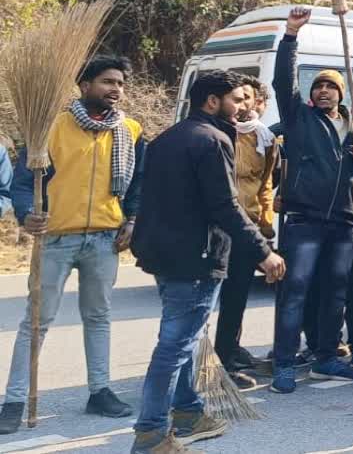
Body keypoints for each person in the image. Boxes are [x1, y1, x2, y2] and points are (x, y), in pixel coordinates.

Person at [129, 70, 286, 453]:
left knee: (186, 337)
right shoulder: (213, 139)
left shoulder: (167, 137)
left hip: (162, 253)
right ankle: (150, 434)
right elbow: (225, 205)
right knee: (175, 345)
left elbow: (147, 197)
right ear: (212, 102)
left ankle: (188, 412)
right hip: (196, 256)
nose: (244, 106)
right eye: (236, 99)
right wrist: (263, 251)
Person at [0, 57, 141, 435]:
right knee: (36, 322)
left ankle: (100, 391)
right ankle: (14, 400)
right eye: (107, 81)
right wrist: (27, 213)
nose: (116, 89)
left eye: (121, 83)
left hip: (104, 239)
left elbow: (138, 183)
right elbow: (21, 184)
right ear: (84, 85)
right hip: (55, 238)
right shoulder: (49, 128)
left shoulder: (129, 130)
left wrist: (132, 219)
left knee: (98, 318)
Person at [269, 7, 353, 394]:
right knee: (295, 289)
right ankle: (284, 363)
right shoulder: (298, 117)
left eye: (330, 87)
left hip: (345, 220)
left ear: (341, 93)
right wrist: (290, 37)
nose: (322, 91)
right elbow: (282, 81)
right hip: (305, 217)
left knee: (337, 290)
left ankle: (326, 358)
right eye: (318, 86)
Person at [212, 77, 279, 390]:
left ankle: (228, 353)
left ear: (256, 103)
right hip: (214, 225)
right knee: (204, 296)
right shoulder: (216, 132)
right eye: (237, 99)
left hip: (246, 225)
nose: (242, 105)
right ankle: (202, 363)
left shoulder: (263, 138)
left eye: (247, 99)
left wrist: (264, 223)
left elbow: (265, 183)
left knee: (236, 295)